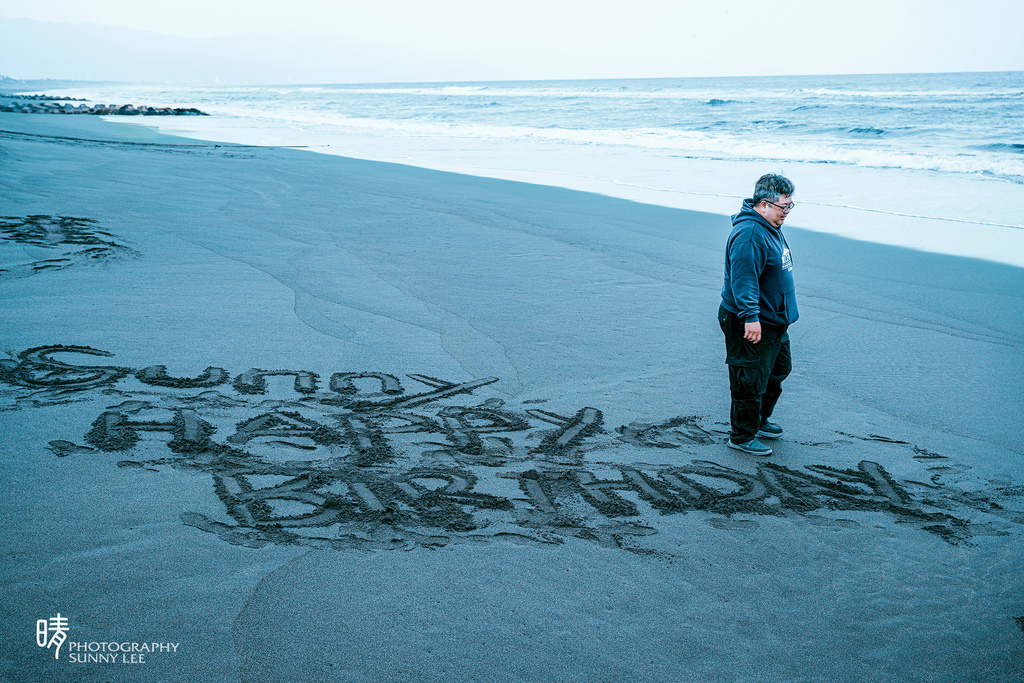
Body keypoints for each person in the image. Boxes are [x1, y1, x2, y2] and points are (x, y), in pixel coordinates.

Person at [718, 173, 798, 456]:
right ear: (764, 204)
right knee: (749, 378)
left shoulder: (770, 224)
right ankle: (741, 436)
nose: (787, 212)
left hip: (774, 320)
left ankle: (760, 420)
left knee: (778, 370)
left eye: (790, 205)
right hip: (751, 320)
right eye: (783, 206)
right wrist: (751, 317)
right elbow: (743, 279)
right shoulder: (750, 234)